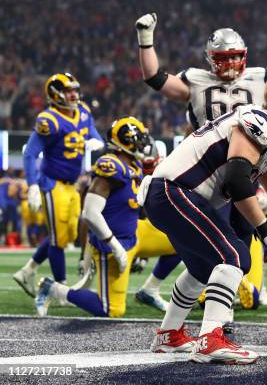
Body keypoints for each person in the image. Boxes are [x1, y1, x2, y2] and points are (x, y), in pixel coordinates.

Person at [134, 10, 267, 312]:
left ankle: (185, 322)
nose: (229, 64)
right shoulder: (203, 85)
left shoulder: (259, 84)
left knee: (224, 250)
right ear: (209, 58)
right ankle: (215, 324)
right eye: (222, 58)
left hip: (241, 168)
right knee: (230, 252)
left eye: (234, 57)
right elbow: (155, 78)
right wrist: (146, 41)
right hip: (206, 172)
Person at [142, 86, 267, 364]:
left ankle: (169, 335)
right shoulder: (258, 121)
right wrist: (263, 227)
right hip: (175, 190)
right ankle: (210, 339)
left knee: (203, 268)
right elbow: (237, 181)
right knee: (234, 256)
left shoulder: (266, 139)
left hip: (171, 194)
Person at [35, 117, 160, 318]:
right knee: (112, 310)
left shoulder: (135, 167)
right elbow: (90, 214)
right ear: (126, 140)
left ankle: (152, 288)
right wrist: (114, 248)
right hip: (113, 242)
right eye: (139, 138)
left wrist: (144, 255)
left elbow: (140, 210)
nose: (144, 144)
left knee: (183, 238)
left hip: (135, 232)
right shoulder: (111, 166)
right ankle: (52, 288)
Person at [14, 73, 104, 297]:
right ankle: (60, 287)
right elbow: (30, 154)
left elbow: (95, 136)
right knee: (58, 239)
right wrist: (33, 185)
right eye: (68, 90)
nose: (73, 94)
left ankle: (28, 270)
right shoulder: (49, 120)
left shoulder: (83, 112)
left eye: (75, 89)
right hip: (52, 183)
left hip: (72, 185)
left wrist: (96, 141)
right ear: (56, 94)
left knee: (67, 234)